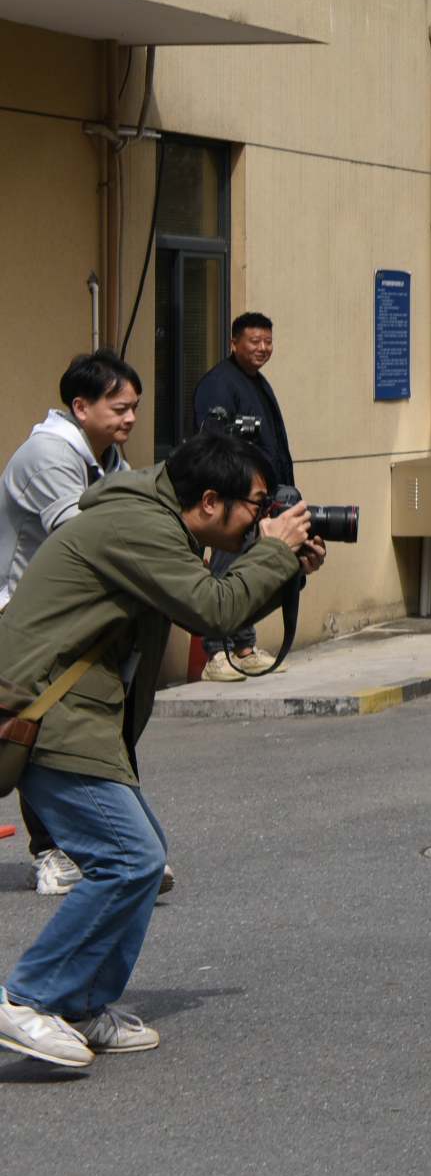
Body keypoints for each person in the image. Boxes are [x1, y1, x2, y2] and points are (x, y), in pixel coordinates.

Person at [0, 429, 322, 1069]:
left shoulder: (159, 521)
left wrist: (283, 563)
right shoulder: (140, 527)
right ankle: (28, 998)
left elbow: (217, 601)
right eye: (255, 506)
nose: (261, 519)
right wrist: (273, 554)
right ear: (209, 501)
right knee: (130, 857)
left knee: (144, 860)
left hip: (79, 712)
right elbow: (213, 609)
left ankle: (80, 1002)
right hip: (50, 711)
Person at [3, 352, 141, 898]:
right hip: (19, 616)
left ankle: (119, 847)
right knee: (34, 732)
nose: (131, 418)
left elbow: (134, 519)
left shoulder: (108, 459)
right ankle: (53, 852)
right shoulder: (48, 454)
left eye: (134, 407)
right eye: (119, 407)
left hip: (67, 616)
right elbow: (84, 538)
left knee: (85, 729)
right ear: (81, 407)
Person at [190, 312, 291, 679]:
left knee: (250, 569)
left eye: (268, 342)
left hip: (259, 498)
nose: (262, 348)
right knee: (225, 569)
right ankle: (216, 654)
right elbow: (214, 445)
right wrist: (231, 495)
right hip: (231, 497)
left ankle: (244, 648)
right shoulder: (219, 384)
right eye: (254, 341)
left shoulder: (258, 383)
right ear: (234, 343)